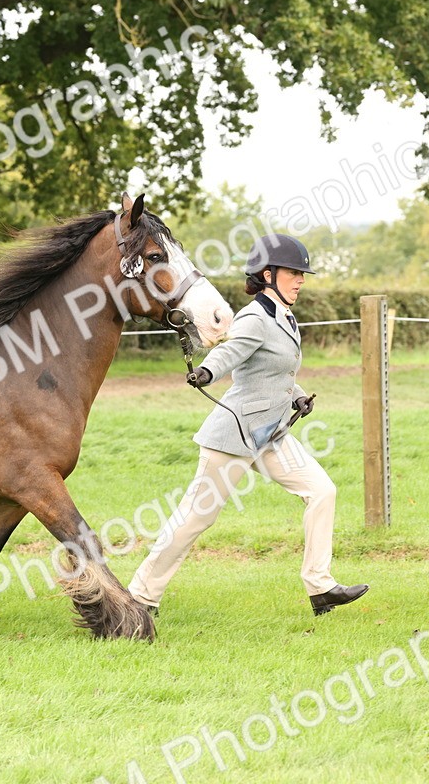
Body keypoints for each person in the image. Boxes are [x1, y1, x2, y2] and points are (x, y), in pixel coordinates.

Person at [128, 233, 368, 617]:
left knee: (322, 491)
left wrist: (297, 396)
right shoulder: (255, 317)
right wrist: (207, 371)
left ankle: (320, 587)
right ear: (268, 274)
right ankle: (140, 596)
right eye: (294, 273)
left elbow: (277, 371)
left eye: (302, 274)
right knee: (196, 518)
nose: (301, 280)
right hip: (235, 433)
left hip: (272, 434)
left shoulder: (283, 315)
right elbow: (231, 351)